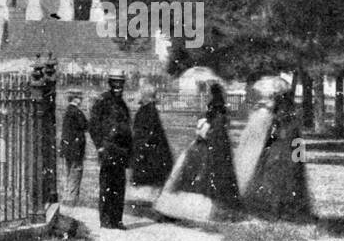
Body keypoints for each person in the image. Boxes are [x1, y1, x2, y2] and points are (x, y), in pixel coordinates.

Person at [154, 81, 241, 224]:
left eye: (208, 93)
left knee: (197, 179)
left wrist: (203, 129)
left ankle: (188, 210)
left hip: (205, 148)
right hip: (204, 147)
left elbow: (212, 131)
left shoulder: (216, 112)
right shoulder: (216, 111)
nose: (205, 96)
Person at [242, 85, 314, 222]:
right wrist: (299, 160)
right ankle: (284, 210)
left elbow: (272, 138)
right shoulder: (293, 119)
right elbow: (297, 140)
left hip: (277, 155)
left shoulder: (277, 119)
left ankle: (273, 210)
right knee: (288, 183)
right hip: (288, 156)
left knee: (272, 182)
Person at [88, 74, 133, 228]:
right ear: (110, 84)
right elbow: (93, 125)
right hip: (108, 148)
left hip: (121, 151)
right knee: (107, 184)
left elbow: (127, 127)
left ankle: (117, 219)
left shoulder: (122, 104)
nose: (118, 88)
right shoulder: (102, 101)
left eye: (121, 84)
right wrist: (99, 145)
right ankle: (106, 219)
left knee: (119, 185)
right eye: (115, 84)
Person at [127, 86, 174, 212]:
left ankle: (147, 204)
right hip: (151, 151)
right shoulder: (149, 110)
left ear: (145, 96)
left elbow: (146, 134)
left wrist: (140, 149)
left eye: (139, 93)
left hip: (149, 153)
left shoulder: (147, 111)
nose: (137, 96)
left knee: (149, 180)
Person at [59, 89, 88, 209]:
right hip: (76, 147)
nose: (81, 100)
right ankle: (71, 198)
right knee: (76, 171)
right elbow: (85, 126)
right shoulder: (77, 112)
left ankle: (67, 196)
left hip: (67, 146)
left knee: (69, 169)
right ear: (75, 99)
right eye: (79, 98)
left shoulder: (67, 111)